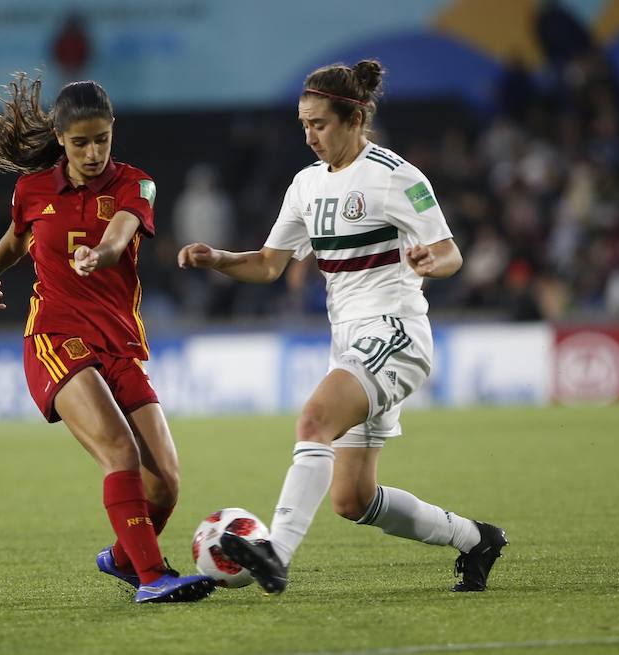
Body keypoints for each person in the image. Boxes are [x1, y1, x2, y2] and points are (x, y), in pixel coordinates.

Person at [178, 60, 508, 594]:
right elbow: (267, 264)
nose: (309, 136)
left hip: (395, 333)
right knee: (352, 499)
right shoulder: (306, 186)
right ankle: (476, 539)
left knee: (312, 421)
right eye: (304, 125)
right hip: (350, 343)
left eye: (320, 124)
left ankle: (275, 554)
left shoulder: (395, 176)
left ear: (353, 118)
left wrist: (429, 260)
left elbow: (451, 254)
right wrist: (216, 257)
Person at [0, 74, 215, 604]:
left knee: (165, 484)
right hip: (55, 335)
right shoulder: (32, 190)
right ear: (60, 138)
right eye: (80, 142)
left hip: (118, 343)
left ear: (113, 132)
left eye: (101, 139)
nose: (92, 152)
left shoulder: (137, 184)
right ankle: (151, 578)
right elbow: (17, 239)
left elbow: (121, 233)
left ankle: (123, 558)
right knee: (119, 451)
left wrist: (101, 255)